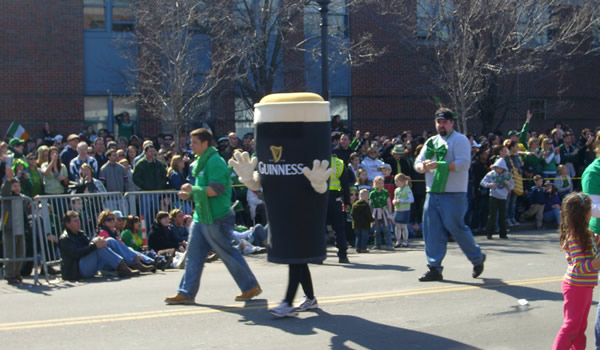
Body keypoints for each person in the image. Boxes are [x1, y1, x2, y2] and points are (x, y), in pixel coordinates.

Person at [165, 128, 261, 305]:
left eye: (194, 142)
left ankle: (250, 286)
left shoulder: (215, 162)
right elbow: (203, 190)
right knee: (193, 255)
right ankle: (186, 292)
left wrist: (192, 191)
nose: (191, 145)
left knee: (227, 253)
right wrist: (191, 194)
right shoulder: (201, 161)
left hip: (218, 217)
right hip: (201, 217)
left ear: (205, 143)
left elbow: (216, 190)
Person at [414, 108, 486, 282]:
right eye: (439, 122)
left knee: (456, 228)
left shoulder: (459, 140)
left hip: (454, 193)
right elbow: (417, 163)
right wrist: (423, 167)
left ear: (452, 123)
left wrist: (439, 165)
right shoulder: (431, 142)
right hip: (432, 192)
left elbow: (463, 164)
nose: (441, 125)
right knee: (431, 231)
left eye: (445, 122)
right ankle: (434, 267)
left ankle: (477, 258)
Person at [552, 193, 599, 350]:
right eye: (589, 210)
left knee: (580, 327)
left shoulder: (588, 234)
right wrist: (596, 262)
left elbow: (596, 245)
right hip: (575, 287)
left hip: (585, 287)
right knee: (571, 326)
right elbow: (579, 268)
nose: (591, 214)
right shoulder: (574, 237)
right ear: (582, 214)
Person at [58, 211, 143, 281]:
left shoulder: (81, 233)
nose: (79, 223)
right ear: (67, 224)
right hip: (77, 271)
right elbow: (76, 254)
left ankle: (135, 263)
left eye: (79, 220)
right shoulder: (65, 238)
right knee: (98, 246)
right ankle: (123, 268)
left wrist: (97, 243)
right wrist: (94, 245)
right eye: (75, 221)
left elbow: (88, 246)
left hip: (88, 265)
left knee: (109, 240)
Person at [1, 173, 27, 284]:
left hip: (20, 227)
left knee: (20, 251)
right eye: (14, 186)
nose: (17, 188)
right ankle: (9, 274)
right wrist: (8, 180)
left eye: (18, 186)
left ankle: (17, 272)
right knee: (10, 252)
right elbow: (4, 190)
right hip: (9, 227)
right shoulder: (6, 196)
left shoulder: (22, 197)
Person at [480, 158, 514, 239]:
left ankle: (503, 233)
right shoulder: (491, 174)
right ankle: (489, 233)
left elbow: (512, 186)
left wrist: (508, 184)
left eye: (501, 168)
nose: (499, 169)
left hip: (503, 196)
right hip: (493, 195)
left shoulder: (507, 175)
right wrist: (489, 184)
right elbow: (482, 182)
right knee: (492, 215)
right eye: (497, 167)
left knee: (502, 215)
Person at [327, 154, 351, 263]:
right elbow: (345, 184)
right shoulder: (339, 163)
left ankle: (318, 255)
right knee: (339, 227)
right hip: (335, 198)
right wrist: (346, 201)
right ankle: (342, 255)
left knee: (318, 227)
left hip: (319, 198)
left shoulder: (316, 159)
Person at [370, 176, 393, 250]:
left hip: (384, 211)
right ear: (375, 184)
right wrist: (371, 213)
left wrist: (389, 211)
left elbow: (388, 201)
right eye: (378, 183)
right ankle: (377, 244)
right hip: (376, 211)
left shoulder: (385, 192)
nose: (380, 185)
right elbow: (370, 203)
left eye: (381, 183)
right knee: (377, 229)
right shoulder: (372, 193)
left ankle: (389, 244)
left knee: (387, 228)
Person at [393, 173, 414, 248]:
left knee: (404, 226)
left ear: (402, 181)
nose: (395, 183)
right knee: (397, 226)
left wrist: (401, 201)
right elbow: (394, 198)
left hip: (405, 210)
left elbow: (411, 200)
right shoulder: (396, 190)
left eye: (397, 181)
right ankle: (398, 241)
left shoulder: (407, 189)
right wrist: (394, 202)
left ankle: (405, 241)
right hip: (398, 210)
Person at [351, 189, 374, 253]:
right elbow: (368, 214)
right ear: (367, 197)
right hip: (365, 224)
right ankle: (363, 248)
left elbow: (352, 213)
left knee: (358, 236)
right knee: (364, 236)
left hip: (356, 224)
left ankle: (358, 247)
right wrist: (372, 220)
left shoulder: (355, 204)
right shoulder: (365, 205)